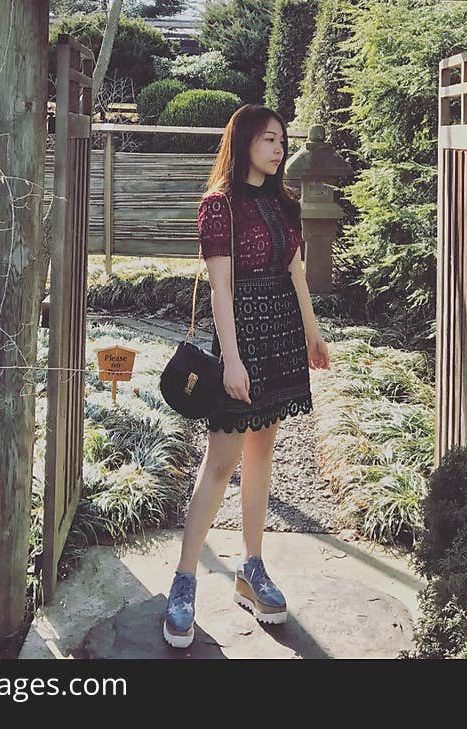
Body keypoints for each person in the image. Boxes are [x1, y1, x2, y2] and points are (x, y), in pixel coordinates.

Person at [163, 104, 331, 649]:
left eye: (282, 139)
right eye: (267, 139)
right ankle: (184, 579)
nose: (279, 148)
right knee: (222, 458)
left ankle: (251, 568)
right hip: (243, 339)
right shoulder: (219, 207)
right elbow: (220, 290)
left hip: (282, 336)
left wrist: (313, 332)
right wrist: (231, 359)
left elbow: (295, 273)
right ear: (242, 145)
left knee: (263, 451)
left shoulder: (283, 201)